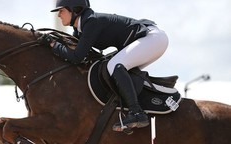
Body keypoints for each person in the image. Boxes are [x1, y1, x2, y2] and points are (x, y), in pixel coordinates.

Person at [38, 0, 168, 132]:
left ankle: (136, 113)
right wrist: (53, 44)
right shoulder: (81, 28)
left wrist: (53, 44)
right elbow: (73, 52)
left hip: (152, 38)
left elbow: (77, 57)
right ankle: (131, 111)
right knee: (116, 69)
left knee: (114, 65)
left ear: (75, 9)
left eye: (61, 11)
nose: (59, 15)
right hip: (151, 40)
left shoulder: (91, 22)